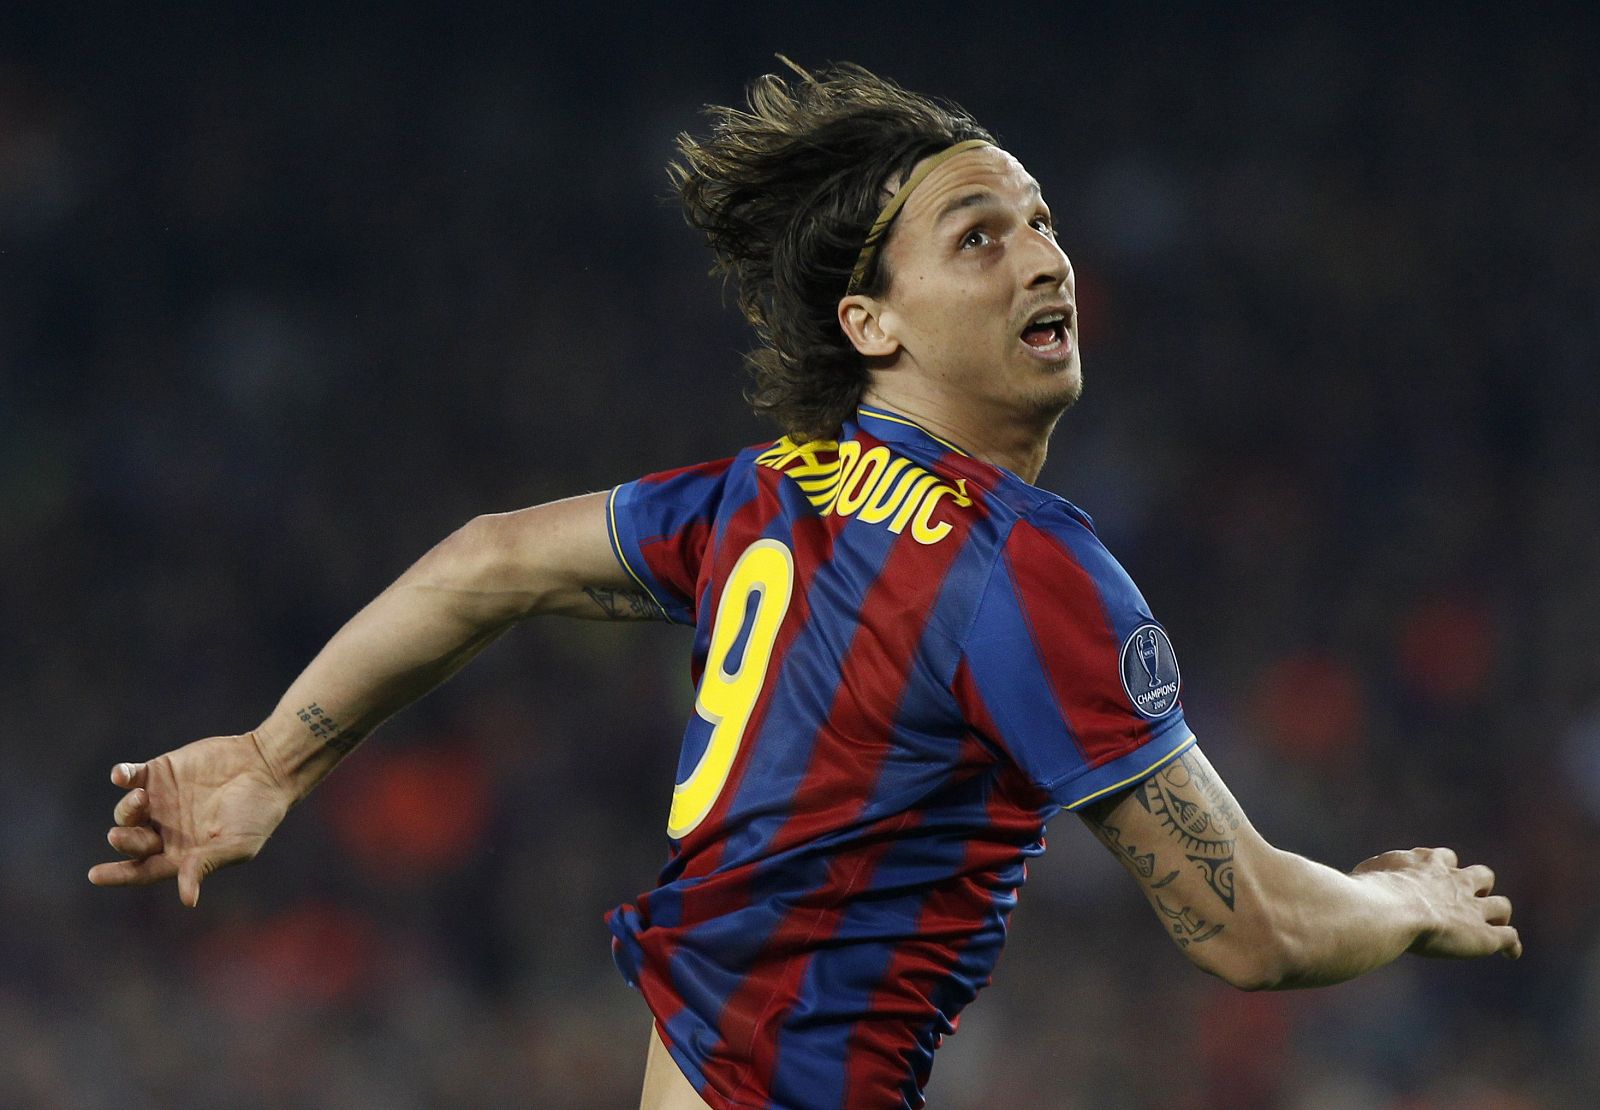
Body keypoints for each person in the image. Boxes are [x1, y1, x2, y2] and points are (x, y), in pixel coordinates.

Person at [90, 61, 1521, 1110]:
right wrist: (1407, 901)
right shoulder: (1023, 569)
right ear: (870, 322)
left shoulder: (766, 497)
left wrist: (279, 756)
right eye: (980, 234)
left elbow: (488, 558)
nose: (1042, 256)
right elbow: (1251, 926)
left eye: (1040, 221)